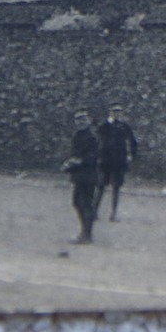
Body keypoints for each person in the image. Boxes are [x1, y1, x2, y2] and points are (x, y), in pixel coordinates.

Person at [61, 110, 101, 244]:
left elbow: (93, 157)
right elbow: (74, 154)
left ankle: (87, 235)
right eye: (78, 120)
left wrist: (79, 161)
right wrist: (69, 164)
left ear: (89, 121)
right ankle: (84, 232)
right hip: (79, 176)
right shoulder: (77, 135)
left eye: (83, 120)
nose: (81, 122)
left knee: (85, 204)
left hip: (88, 176)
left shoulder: (92, 137)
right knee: (78, 203)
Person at [96, 104, 140, 222]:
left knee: (116, 187)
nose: (117, 114)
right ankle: (94, 211)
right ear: (110, 112)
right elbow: (96, 141)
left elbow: (133, 141)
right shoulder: (104, 126)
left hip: (119, 161)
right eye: (114, 111)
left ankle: (113, 213)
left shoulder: (124, 127)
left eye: (119, 111)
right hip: (105, 161)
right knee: (100, 186)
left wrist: (131, 155)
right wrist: (97, 156)